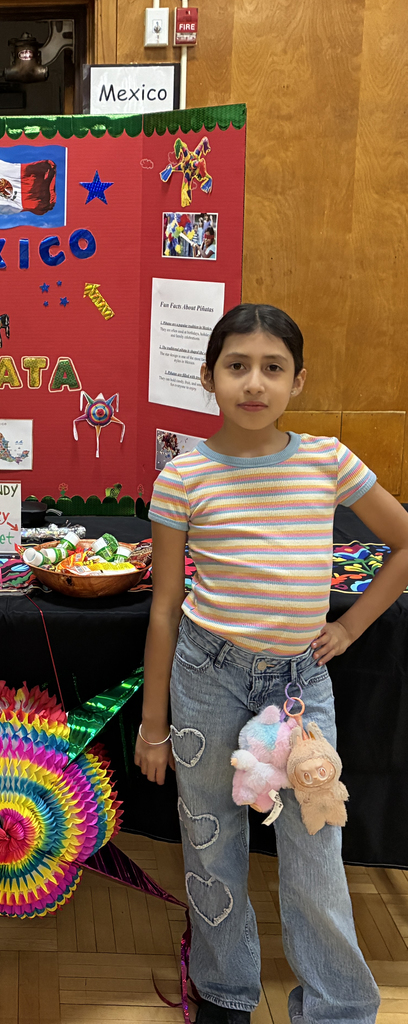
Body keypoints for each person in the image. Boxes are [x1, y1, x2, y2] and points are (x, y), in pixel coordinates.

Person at [135, 304, 408, 1024]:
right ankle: (225, 993)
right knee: (211, 843)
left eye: (273, 367)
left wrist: (350, 625)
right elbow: (165, 607)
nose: (254, 383)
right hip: (205, 679)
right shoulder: (183, 476)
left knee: (315, 850)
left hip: (297, 689)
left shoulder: (327, 459)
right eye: (237, 365)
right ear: (209, 377)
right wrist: (152, 725)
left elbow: (404, 542)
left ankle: (339, 1004)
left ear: (298, 380)